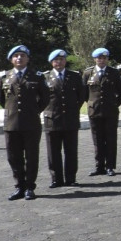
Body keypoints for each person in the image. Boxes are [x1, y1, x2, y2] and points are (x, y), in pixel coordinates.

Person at [0, 45, 49, 200]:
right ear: (12, 59)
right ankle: (19, 186)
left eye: (22, 56)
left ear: (28, 59)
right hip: (11, 124)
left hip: (31, 123)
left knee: (32, 156)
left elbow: (45, 99)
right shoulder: (4, 77)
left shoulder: (37, 76)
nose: (19, 58)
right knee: (14, 156)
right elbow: (1, 100)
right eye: (16, 56)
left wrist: (33, 111)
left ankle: (30, 187)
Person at [43, 49, 82, 188]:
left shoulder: (75, 76)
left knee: (71, 151)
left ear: (65, 61)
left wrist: (73, 109)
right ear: (51, 62)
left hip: (70, 119)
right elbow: (40, 98)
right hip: (52, 119)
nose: (58, 62)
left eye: (61, 59)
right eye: (56, 60)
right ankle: (56, 179)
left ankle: (71, 178)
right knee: (53, 152)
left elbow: (81, 96)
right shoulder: (45, 77)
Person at [83, 47, 121, 176]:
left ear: (107, 59)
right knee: (97, 140)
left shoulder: (114, 73)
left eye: (104, 58)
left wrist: (113, 104)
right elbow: (84, 93)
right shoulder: (88, 73)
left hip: (110, 111)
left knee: (111, 139)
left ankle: (110, 166)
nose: (102, 60)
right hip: (94, 112)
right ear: (95, 59)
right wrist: (91, 104)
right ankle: (99, 166)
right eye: (99, 58)